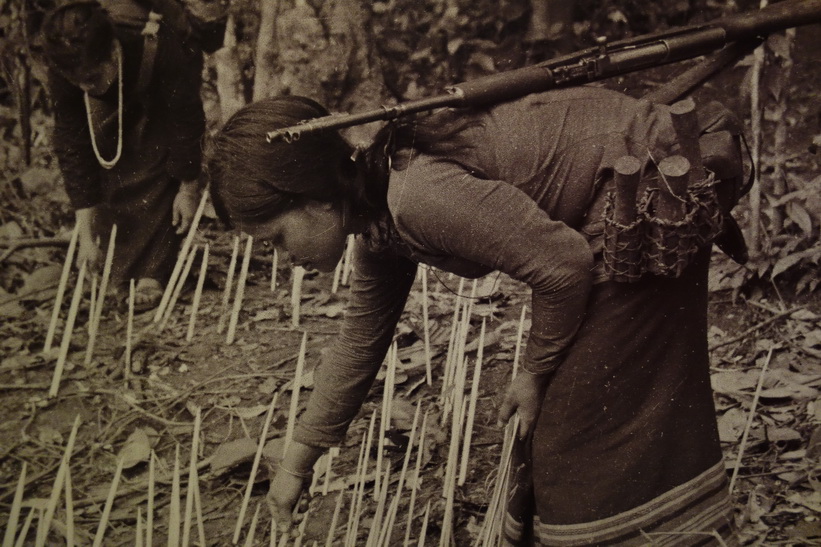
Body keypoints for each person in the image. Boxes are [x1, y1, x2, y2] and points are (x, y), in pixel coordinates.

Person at [207, 87, 746, 545]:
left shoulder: (417, 196)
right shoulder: (376, 217)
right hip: (599, 212)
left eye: (276, 239)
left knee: (578, 433)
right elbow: (360, 339)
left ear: (314, 198)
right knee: (567, 430)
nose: (285, 259)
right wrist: (297, 461)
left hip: (646, 190)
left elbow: (562, 268)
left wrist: (534, 371)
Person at [41, 0, 207, 311]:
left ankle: (153, 272)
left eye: (91, 78)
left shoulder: (159, 44)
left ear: (113, 52)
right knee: (107, 159)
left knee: (156, 158)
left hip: (163, 84)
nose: (85, 88)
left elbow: (185, 119)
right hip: (114, 102)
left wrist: (189, 187)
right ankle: (116, 267)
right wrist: (86, 233)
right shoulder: (67, 65)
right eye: (78, 82)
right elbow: (73, 145)